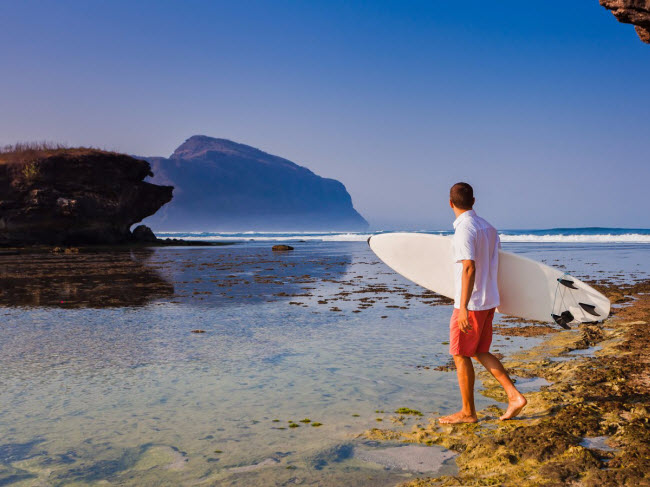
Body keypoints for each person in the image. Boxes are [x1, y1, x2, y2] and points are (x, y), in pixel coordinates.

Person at [438, 182, 527, 424]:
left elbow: (469, 267)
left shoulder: (464, 229)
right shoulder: (489, 228)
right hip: (488, 300)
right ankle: (514, 396)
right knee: (479, 351)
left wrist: (463, 307)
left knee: (459, 353)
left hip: (472, 303)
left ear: (450, 203)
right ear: (474, 201)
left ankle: (468, 413)